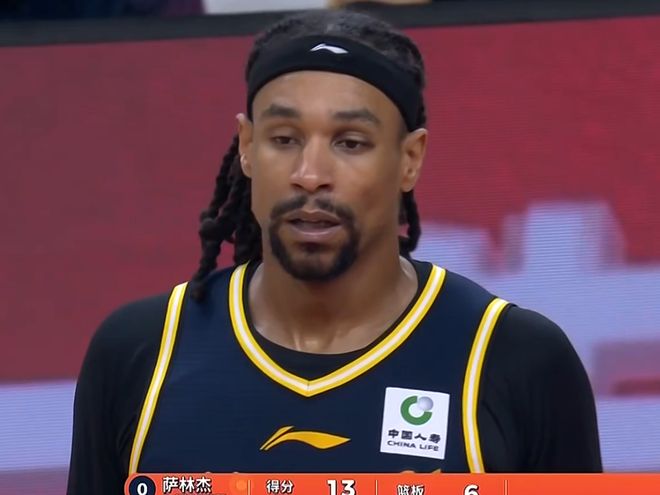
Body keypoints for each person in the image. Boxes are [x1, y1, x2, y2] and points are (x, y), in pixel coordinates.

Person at [66, 9, 602, 494]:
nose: (310, 175)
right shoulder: (142, 351)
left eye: (350, 142)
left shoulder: (515, 360)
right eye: (284, 139)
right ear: (247, 148)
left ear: (410, 159)